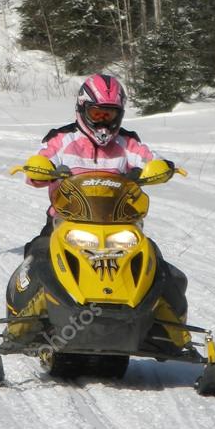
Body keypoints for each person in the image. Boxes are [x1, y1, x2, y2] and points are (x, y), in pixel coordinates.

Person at [21, 72, 187, 316]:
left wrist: (162, 168)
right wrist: (41, 171)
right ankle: (23, 322)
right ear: (82, 109)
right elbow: (38, 165)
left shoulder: (127, 143)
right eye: (97, 114)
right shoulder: (61, 139)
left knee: (154, 262)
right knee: (38, 254)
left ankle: (170, 329)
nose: (103, 123)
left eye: (109, 115)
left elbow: (150, 159)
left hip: (119, 224)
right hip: (65, 222)